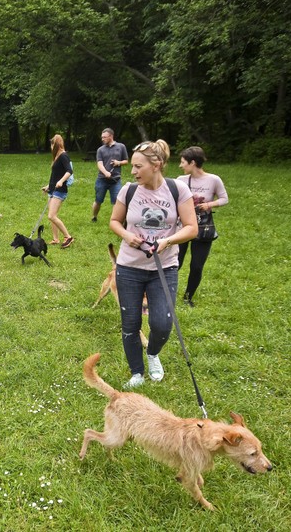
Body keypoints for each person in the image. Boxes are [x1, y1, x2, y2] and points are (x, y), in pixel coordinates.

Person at [108, 139, 198, 389]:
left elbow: (192, 228)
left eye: (138, 167)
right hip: (129, 268)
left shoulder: (177, 190)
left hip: (164, 267)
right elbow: (114, 221)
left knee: (161, 322)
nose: (133, 171)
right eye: (132, 167)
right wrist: (127, 236)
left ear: (156, 165)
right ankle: (136, 372)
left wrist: (168, 240)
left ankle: (153, 354)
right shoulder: (129, 190)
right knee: (131, 323)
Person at [176, 146, 229, 307]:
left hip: (203, 228)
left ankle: (188, 297)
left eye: (183, 162)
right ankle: (163, 293)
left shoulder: (213, 179)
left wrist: (209, 205)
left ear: (193, 163)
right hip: (183, 227)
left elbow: (224, 198)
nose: (180, 165)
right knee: (175, 262)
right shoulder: (181, 180)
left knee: (197, 266)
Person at [40, 134, 74, 248]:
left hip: (60, 191)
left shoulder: (64, 156)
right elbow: (55, 175)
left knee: (51, 216)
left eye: (52, 144)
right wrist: (49, 186)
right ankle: (55, 238)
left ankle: (68, 237)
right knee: (52, 215)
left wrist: (61, 181)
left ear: (56, 144)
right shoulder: (57, 156)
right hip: (53, 190)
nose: (51, 146)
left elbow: (70, 171)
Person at [92, 128, 129, 223]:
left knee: (117, 202)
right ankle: (94, 216)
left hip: (116, 180)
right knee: (98, 200)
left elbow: (126, 161)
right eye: (102, 137)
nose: (102, 139)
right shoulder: (100, 149)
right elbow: (99, 164)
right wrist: (105, 173)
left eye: (104, 137)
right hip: (102, 179)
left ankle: (117, 220)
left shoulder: (121, 147)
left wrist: (118, 162)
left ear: (111, 136)